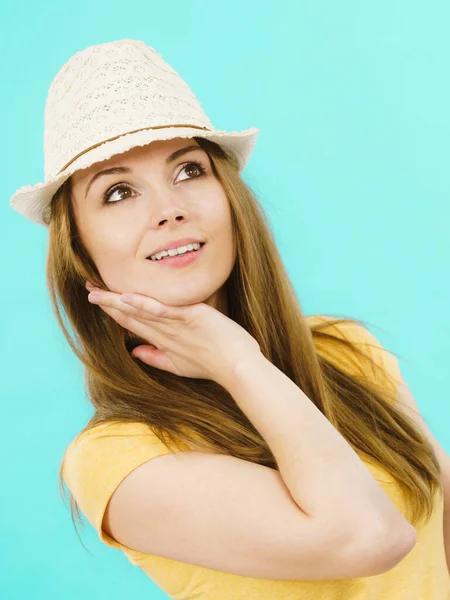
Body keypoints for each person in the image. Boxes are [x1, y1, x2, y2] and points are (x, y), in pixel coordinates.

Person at [10, 38, 449, 599]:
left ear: (229, 194)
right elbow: (369, 537)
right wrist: (237, 360)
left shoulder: (347, 350)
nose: (170, 208)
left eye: (189, 170)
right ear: (81, 249)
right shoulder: (118, 458)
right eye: (119, 191)